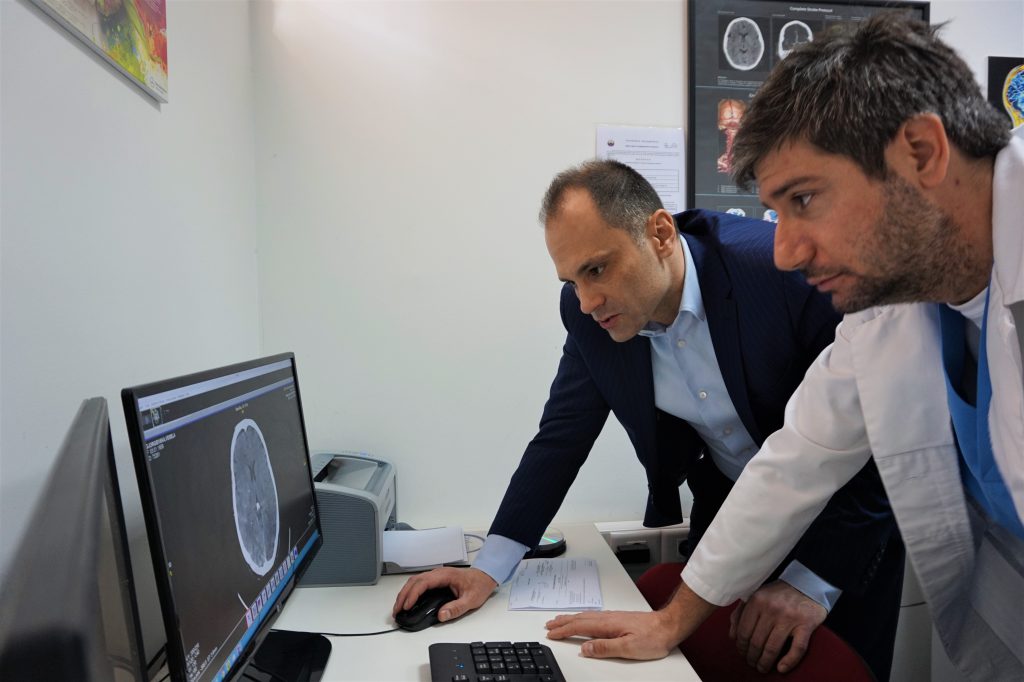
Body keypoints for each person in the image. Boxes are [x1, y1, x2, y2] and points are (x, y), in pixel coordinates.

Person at [544, 13, 1024, 681]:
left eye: (804, 199)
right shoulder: (890, 312)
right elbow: (795, 463)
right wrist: (672, 622)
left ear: (920, 152)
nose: (785, 252)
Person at [393, 159, 905, 678]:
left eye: (597, 269)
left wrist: (811, 582)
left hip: (846, 523)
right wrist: (488, 569)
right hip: (731, 517)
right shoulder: (590, 315)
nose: (587, 301)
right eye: (572, 280)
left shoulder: (779, 272)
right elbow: (561, 436)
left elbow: (883, 429)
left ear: (660, 234)